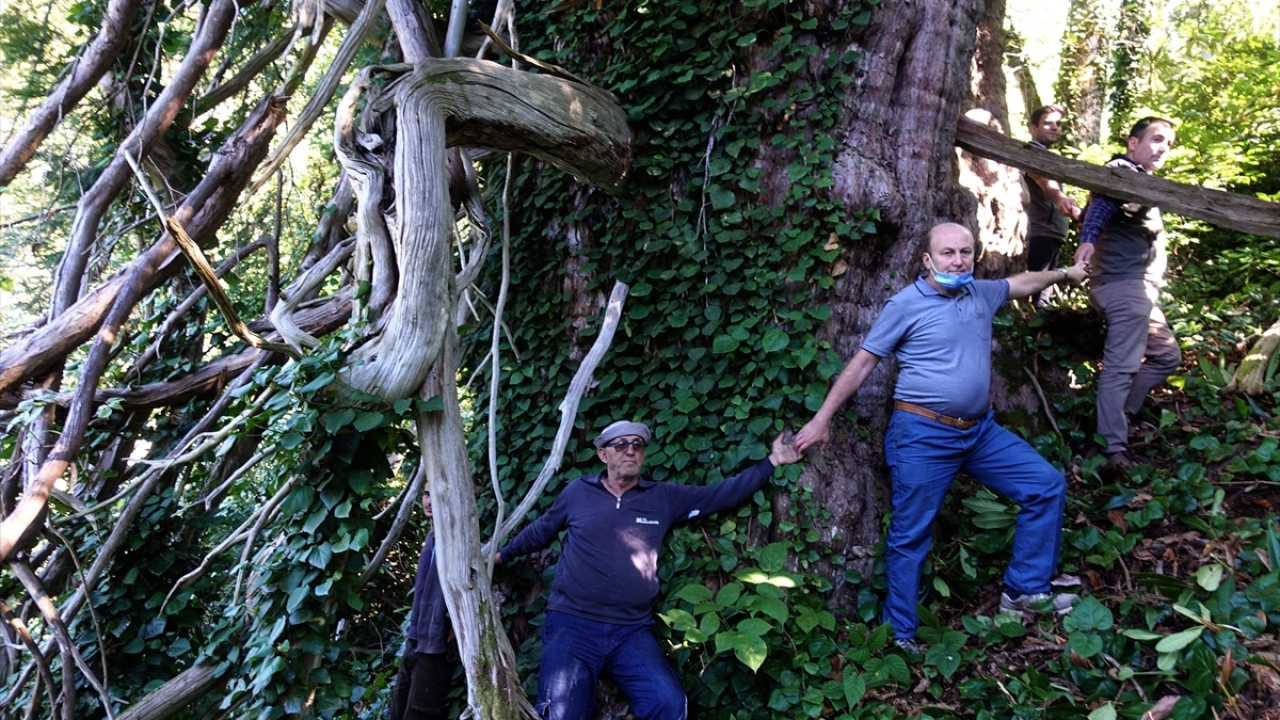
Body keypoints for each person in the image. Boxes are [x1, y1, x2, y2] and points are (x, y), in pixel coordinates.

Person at [794, 223, 1086, 651]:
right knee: (910, 535)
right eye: (948, 253)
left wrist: (1064, 274)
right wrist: (822, 419)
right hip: (922, 435)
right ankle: (899, 634)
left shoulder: (980, 293)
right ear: (927, 260)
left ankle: (1024, 591)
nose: (958, 261)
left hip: (979, 433)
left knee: (1045, 485)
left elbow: (1022, 282)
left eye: (965, 252)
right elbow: (862, 363)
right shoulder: (905, 304)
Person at [496, 421, 802, 720]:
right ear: (603, 454)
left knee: (668, 704)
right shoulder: (578, 492)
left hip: (631, 630)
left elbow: (719, 495)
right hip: (573, 624)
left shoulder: (661, 497)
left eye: (637, 445)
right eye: (620, 445)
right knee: (561, 712)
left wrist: (772, 461)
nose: (630, 450)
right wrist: (499, 556)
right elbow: (541, 531)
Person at [1072, 117, 1181, 468]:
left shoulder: (1141, 181)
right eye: (1156, 139)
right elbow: (1104, 204)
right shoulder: (1122, 170)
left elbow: (1099, 210)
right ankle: (1111, 449)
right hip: (1124, 287)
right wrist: (1088, 239)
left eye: (1169, 143)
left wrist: (1081, 218)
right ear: (1133, 143)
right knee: (1121, 368)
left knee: (1167, 356)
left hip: (1138, 291)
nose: (1163, 148)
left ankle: (1120, 417)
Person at [389, 492, 453, 720]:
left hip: (432, 647)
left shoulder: (452, 539)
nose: (430, 501)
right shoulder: (432, 536)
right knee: (397, 712)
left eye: (436, 494)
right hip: (414, 639)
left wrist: (452, 631)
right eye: (426, 494)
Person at [1023, 105, 1083, 307]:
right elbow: (1042, 179)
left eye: (1058, 124)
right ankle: (1035, 321)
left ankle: (1039, 318)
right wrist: (1060, 198)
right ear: (1033, 128)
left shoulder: (1046, 155)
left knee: (1045, 287)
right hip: (1040, 230)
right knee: (1038, 289)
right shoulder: (1032, 152)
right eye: (1048, 123)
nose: (1055, 127)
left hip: (1052, 232)